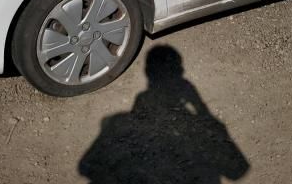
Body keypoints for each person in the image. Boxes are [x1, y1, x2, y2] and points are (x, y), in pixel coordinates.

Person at [79, 45, 249, 183]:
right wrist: (203, 110)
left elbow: (86, 167)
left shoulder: (120, 124)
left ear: (147, 73)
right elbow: (236, 171)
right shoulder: (196, 130)